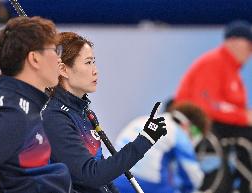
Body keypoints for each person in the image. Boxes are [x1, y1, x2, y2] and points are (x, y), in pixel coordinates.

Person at [41, 32, 167, 193]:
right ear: (63, 69)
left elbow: (101, 175)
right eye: (88, 63)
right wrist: (144, 140)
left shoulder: (84, 113)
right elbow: (92, 175)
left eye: (94, 62)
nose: (95, 71)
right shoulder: (54, 117)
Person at [0, 16, 72, 193]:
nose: (59, 60)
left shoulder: (24, 107)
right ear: (34, 58)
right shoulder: (11, 112)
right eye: (55, 50)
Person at [174, 20, 252, 193]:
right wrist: (244, 116)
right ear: (233, 41)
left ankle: (243, 184)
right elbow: (206, 105)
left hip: (218, 124)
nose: (250, 51)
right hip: (198, 123)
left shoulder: (234, 73)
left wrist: (244, 115)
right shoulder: (214, 63)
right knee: (248, 135)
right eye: (248, 44)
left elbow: (234, 106)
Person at [114, 102, 208, 193]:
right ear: (189, 126)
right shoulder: (179, 135)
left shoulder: (141, 120)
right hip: (145, 185)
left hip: (112, 180)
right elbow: (194, 179)